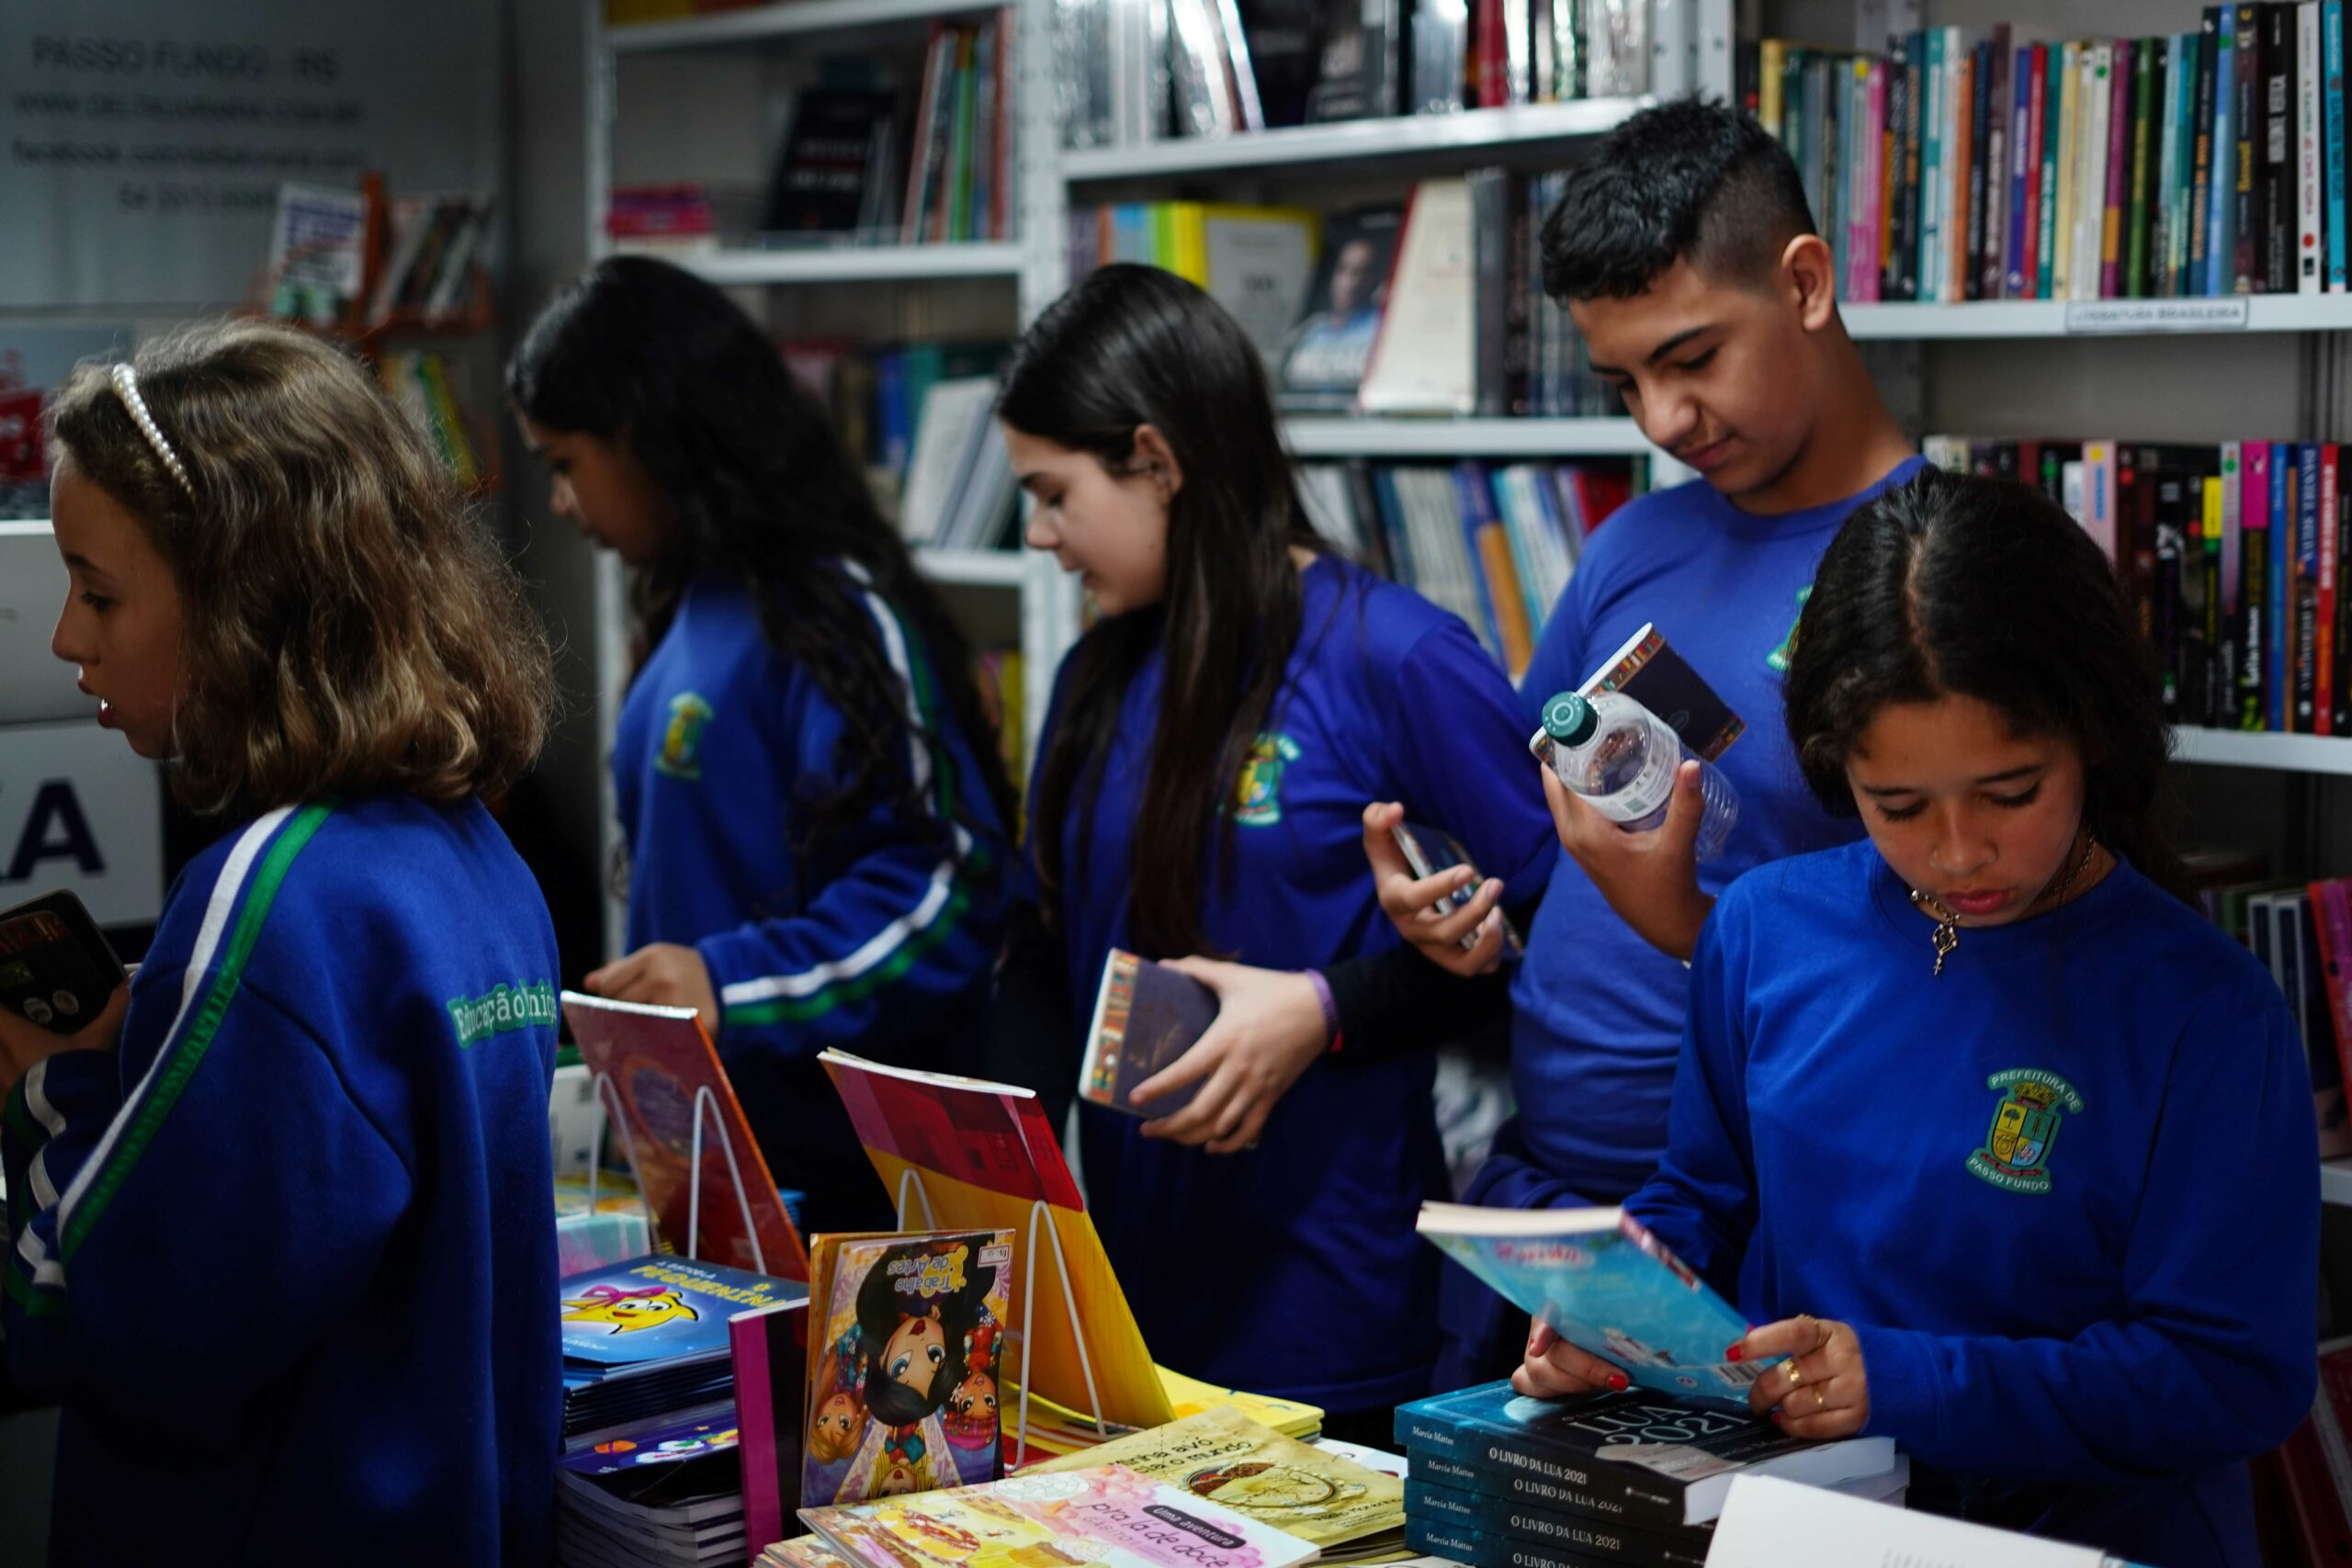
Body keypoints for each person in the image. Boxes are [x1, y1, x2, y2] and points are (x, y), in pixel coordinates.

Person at [1516, 468, 2318, 1565]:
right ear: (1833, 771)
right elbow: (1704, 1197)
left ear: (2092, 740)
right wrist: (1621, 1311)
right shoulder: (1761, 931)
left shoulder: (2205, 1012)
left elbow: (2232, 1376)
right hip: (1805, 1526)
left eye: (2011, 792)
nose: (1957, 852)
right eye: (1896, 806)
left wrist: (1906, 1381)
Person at [1360, 97, 1923, 1386]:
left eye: (1694, 358)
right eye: (1624, 383)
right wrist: (1454, 901)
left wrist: (1691, 922)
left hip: (1777, 1211)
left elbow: (1967, 930)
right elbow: (1541, 808)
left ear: (1806, 283)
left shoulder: (1929, 567)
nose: (1664, 418)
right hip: (1560, 1200)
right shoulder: (1633, 547)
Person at [0, 321, 564, 1562]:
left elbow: (114, 1317)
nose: (67, 641)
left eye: (99, 592)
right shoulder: (472, 856)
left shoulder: (272, 898)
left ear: (244, 603)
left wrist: (54, 1083)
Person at [986, 264, 1556, 1436]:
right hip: (1133, 1302)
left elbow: (1557, 933)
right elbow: (1056, 945)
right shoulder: (1098, 672)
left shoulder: (1393, 656)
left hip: (1327, 1304)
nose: (1038, 537)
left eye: (1052, 494)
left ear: (1156, 459)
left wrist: (1325, 1005)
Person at [508, 256, 1013, 1235]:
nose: (564, 506)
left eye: (566, 464)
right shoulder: (688, 603)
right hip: (719, 1185)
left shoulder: (832, 617)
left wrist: (729, 983)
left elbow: (951, 888)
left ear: (646, 436)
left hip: (853, 1208)